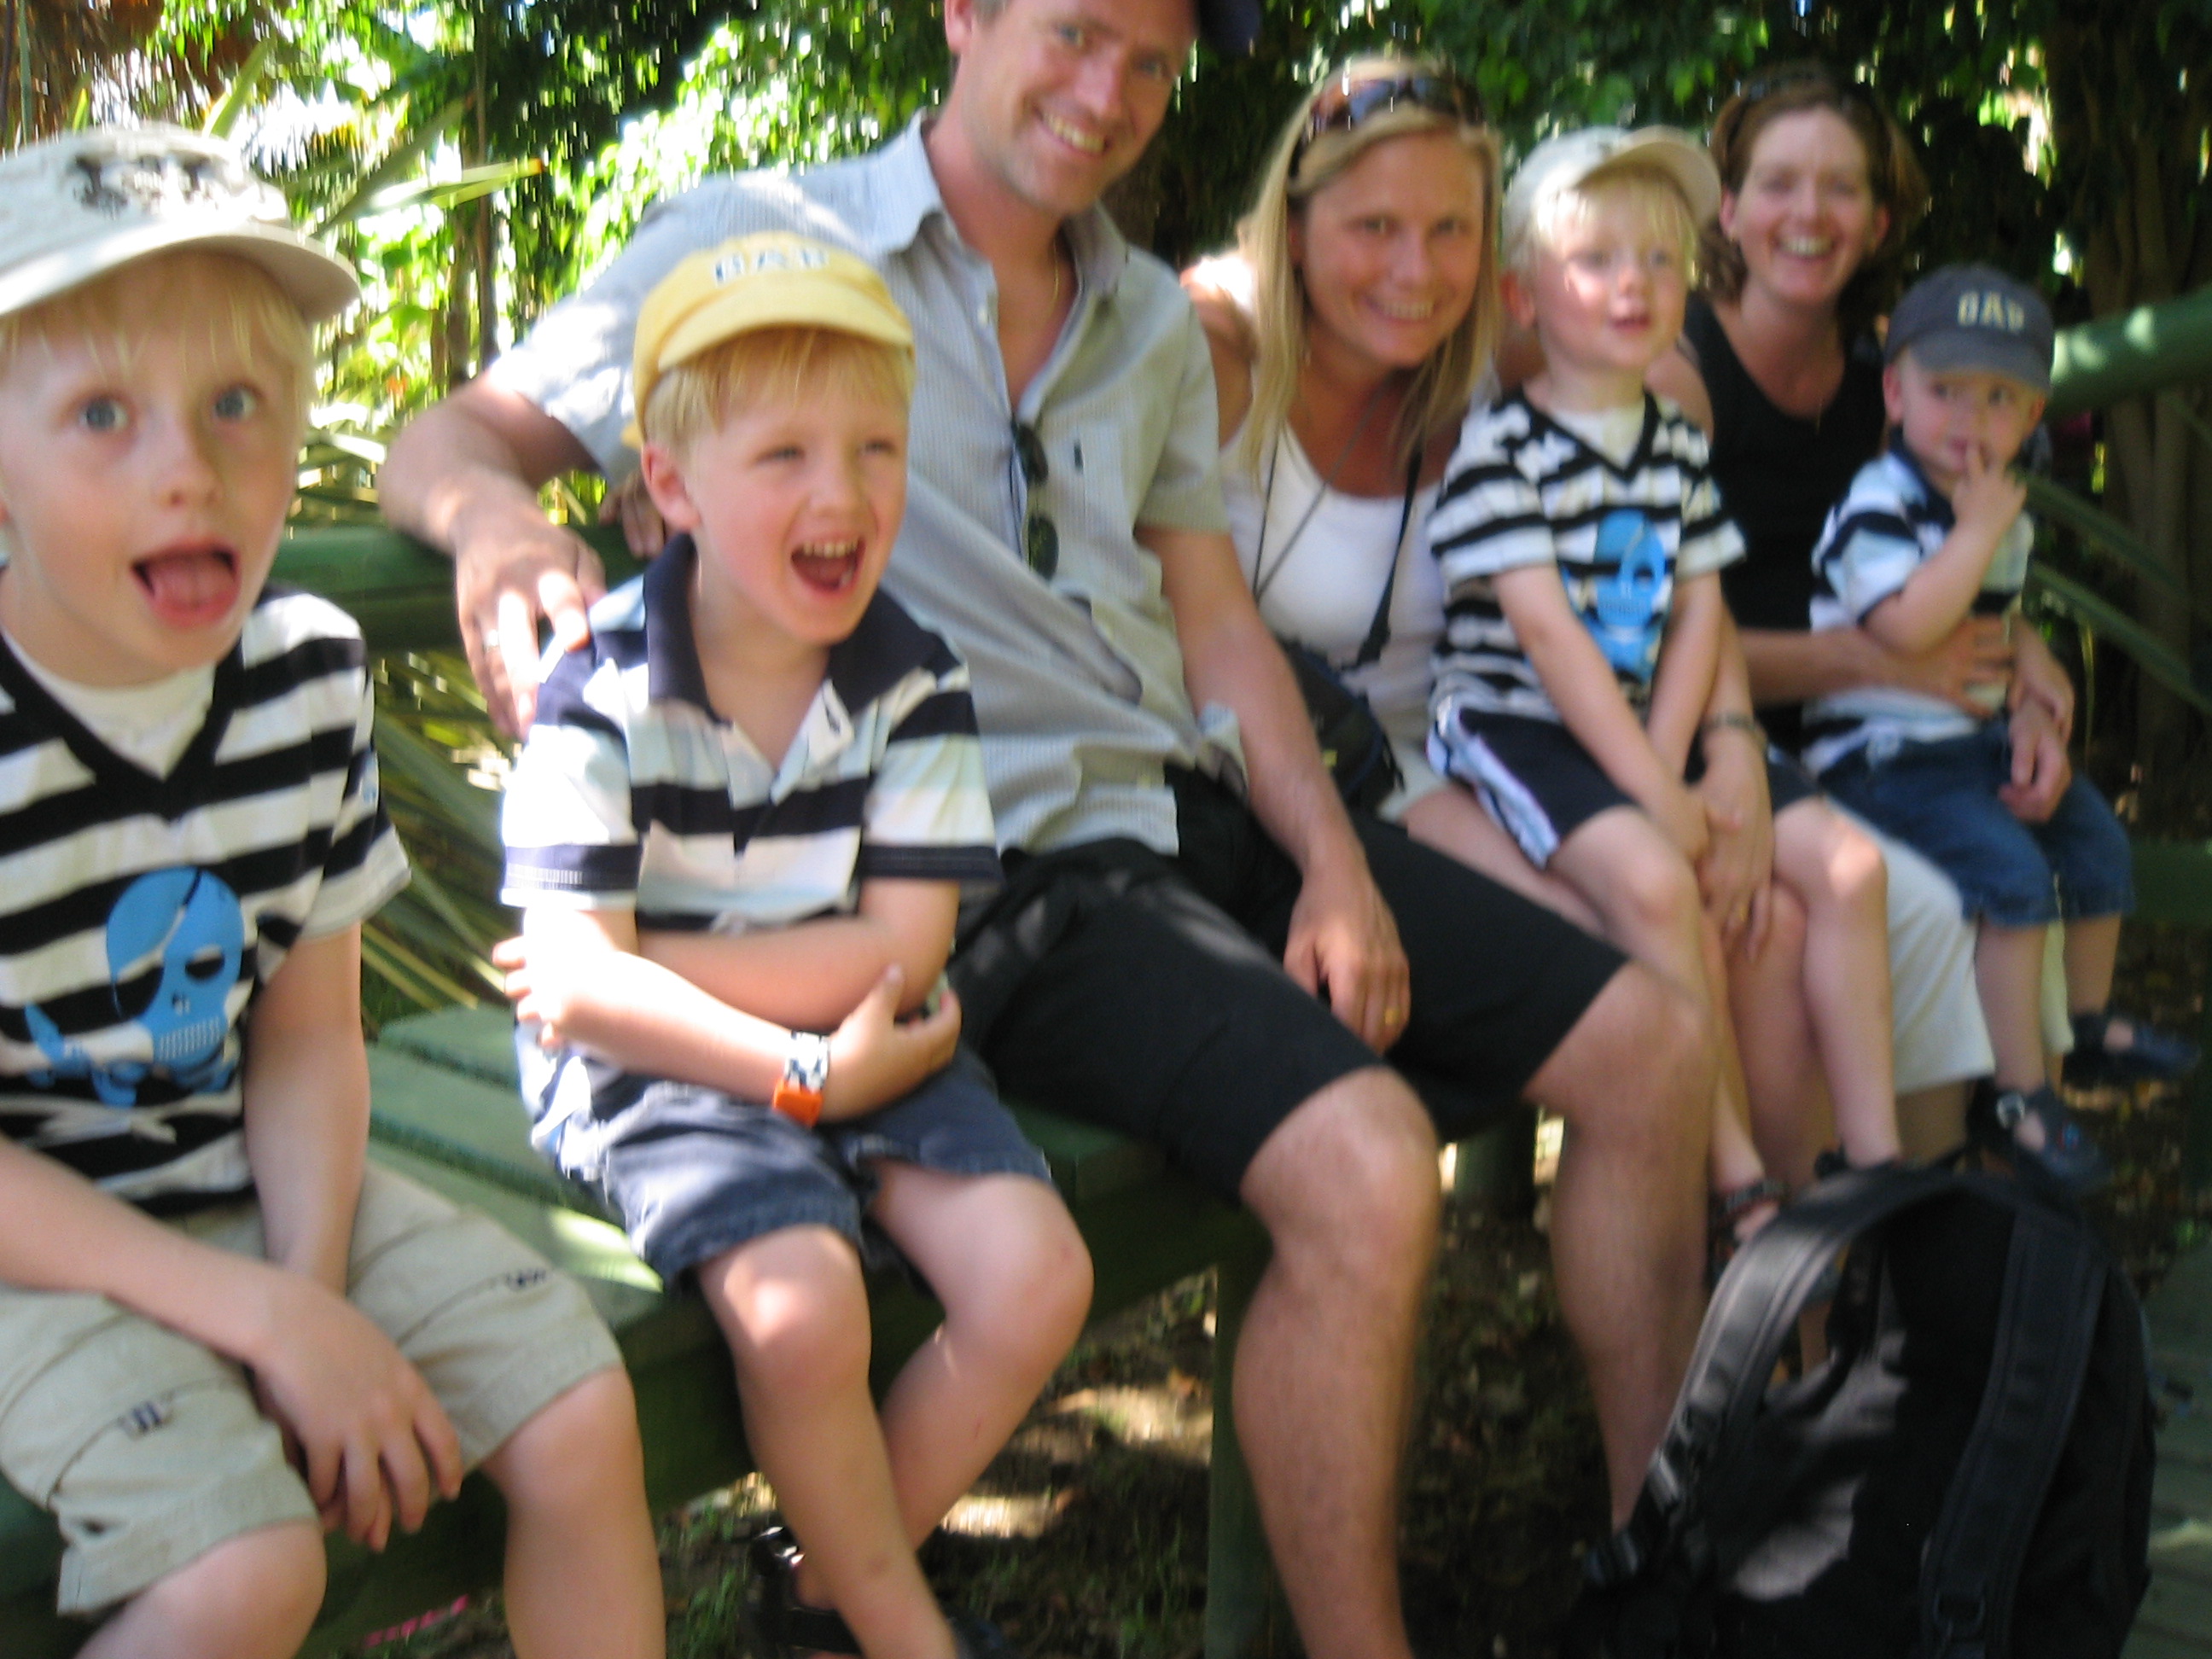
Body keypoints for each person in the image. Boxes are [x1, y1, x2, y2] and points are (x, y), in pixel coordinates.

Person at [381, 6, 1715, 1654]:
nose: (1109, 93)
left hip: (1183, 803)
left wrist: (1335, 859)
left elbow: (1211, 620)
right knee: (1369, 1165)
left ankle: (1661, 1560)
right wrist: (490, 522)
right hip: (984, 854)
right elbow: (455, 435)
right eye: (1075, 31)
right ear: (964, 16)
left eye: (1150, 62)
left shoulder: (1147, 313)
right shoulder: (764, 237)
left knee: (1650, 1040)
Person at [0, 127, 662, 1659]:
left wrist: (306, 1292)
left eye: (238, 403)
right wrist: (267, 1319)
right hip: (27, 1246)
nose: (189, 465)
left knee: (578, 1408)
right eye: (101, 414)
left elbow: (306, 1039)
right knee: (243, 1570)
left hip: (249, 1177)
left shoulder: (302, 674)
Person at [495, 231, 1092, 1659]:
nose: (842, 494)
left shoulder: (912, 678)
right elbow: (586, 1005)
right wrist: (790, 1064)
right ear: (672, 485)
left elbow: (902, 947)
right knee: (802, 1306)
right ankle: (899, 1626)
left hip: (862, 1042)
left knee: (1036, 1278)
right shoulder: (601, 692)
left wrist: (642, 967)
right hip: (663, 1074)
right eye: (785, 456)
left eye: (877, 449)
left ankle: (820, 1594)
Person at [1186, 78, 1894, 1231]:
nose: (1415, 268)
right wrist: (1656, 784)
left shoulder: (1492, 357)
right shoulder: (1217, 351)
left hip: (1491, 755)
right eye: (1374, 226)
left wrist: (1729, 745)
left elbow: (1670, 529)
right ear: (1295, 229)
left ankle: (1824, 1251)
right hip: (1347, 775)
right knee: (1643, 933)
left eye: (1448, 229)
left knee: (1766, 919)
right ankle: (1749, 1210)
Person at [1424, 127, 1900, 1232]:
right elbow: (1548, 641)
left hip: (1643, 718)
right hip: (1520, 719)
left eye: (1658, 260)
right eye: (1595, 261)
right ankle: (1737, 1174)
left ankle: (1880, 1166)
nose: (1633, 284)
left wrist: (1674, 756)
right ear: (1523, 296)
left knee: (1848, 868)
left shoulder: (1674, 444)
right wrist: (1652, 790)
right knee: (1657, 878)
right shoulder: (1502, 450)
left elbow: (1696, 611)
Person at [1646, 63, 2089, 1158]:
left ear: (1880, 220)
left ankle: (1972, 1206)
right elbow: (1647, 649)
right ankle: (1856, 1222)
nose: (1810, 214)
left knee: (2014, 872)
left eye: (1840, 188)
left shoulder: (1892, 375)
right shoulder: (1678, 376)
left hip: (1879, 742)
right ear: (1729, 210)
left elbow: (1946, 554)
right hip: (1716, 742)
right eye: (1779, 184)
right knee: (1911, 906)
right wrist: (1873, 663)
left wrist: (2023, 663)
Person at [1806, 264, 2190, 1190]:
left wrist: (2026, 686)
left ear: (2033, 415)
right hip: (1883, 756)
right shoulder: (1878, 503)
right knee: (2014, 880)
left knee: (2096, 844)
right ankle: (2021, 1095)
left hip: (1968, 745)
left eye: (1999, 399)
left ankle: (2087, 1026)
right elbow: (1904, 628)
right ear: (1896, 394)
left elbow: (1997, 623)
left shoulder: (1998, 512)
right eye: (1945, 391)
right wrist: (1977, 534)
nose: (1969, 420)